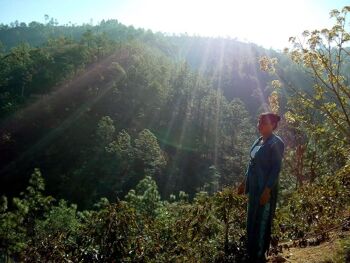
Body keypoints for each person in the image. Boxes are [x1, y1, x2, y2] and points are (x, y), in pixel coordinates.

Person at [237, 112, 285, 262]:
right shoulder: (258, 141)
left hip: (264, 188)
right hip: (254, 187)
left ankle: (259, 255)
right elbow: (251, 163)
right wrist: (244, 182)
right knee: (251, 218)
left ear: (273, 125)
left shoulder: (276, 143)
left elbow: (276, 168)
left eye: (264, 123)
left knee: (262, 220)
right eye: (259, 122)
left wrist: (267, 190)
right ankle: (251, 253)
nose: (260, 125)